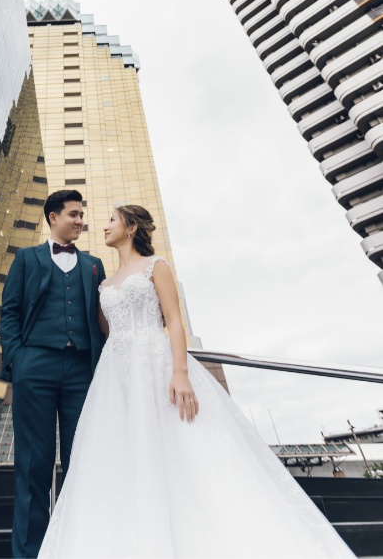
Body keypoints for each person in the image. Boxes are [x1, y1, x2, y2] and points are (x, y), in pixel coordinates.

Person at [37, 204, 356, 558]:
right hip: (116, 375)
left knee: (178, 447)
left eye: (112, 220)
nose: (104, 226)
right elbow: (107, 331)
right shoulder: (104, 282)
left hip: (156, 364)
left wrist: (179, 372)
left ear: (130, 228)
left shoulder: (156, 267)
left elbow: (174, 321)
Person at [0, 189, 107, 558]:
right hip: (35, 367)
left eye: (81, 215)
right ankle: (29, 554)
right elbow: (10, 312)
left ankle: (77, 548)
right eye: (73, 214)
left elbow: (100, 320)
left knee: (82, 462)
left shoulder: (94, 265)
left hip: (81, 371)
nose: (80, 220)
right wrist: (16, 359)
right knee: (33, 464)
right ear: (52, 217)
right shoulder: (27, 258)